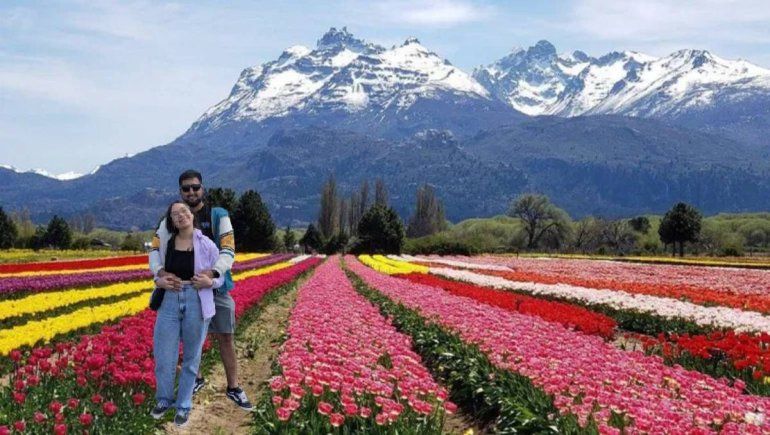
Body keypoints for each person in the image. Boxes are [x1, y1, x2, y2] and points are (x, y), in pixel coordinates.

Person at [149, 169, 253, 411]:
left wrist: (214, 274)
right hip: (182, 291)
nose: (191, 192)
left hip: (216, 288)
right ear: (180, 192)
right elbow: (155, 250)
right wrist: (160, 273)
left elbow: (228, 249)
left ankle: (233, 386)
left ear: (202, 188)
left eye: (195, 187)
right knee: (185, 339)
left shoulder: (218, 215)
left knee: (225, 335)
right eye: (186, 188)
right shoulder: (169, 219)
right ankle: (195, 380)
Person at [151, 201, 222, 427]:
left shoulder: (207, 244)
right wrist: (159, 280)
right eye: (174, 214)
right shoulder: (166, 243)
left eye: (184, 211)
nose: (180, 216)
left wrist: (210, 281)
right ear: (171, 221)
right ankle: (164, 399)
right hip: (170, 299)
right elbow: (156, 269)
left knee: (192, 357)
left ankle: (183, 405)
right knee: (164, 355)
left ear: (191, 215)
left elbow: (221, 275)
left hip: (196, 299)